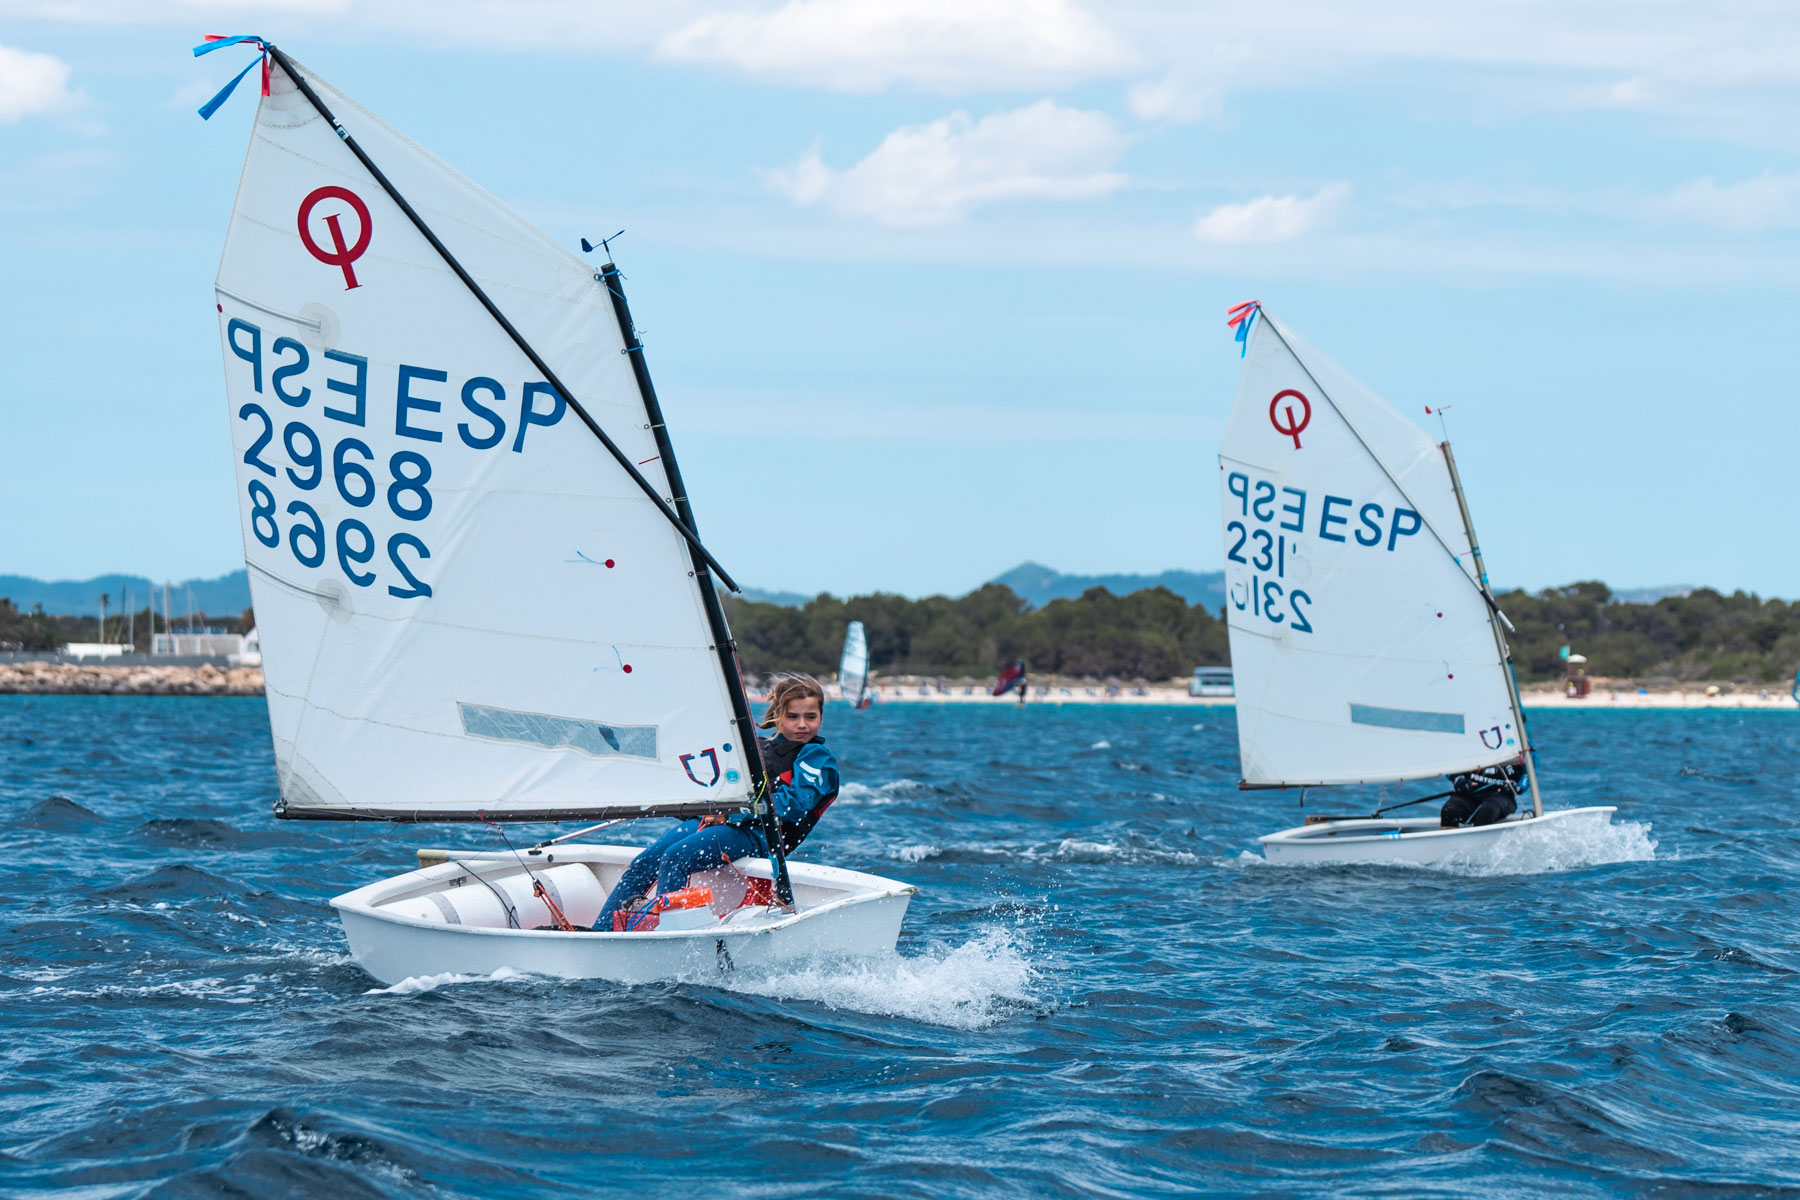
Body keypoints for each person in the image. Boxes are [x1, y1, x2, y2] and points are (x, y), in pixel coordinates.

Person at [594, 674, 841, 930]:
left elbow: (795, 804)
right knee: (644, 863)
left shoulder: (816, 757)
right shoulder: (754, 747)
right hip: (722, 823)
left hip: (760, 834)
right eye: (793, 717)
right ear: (778, 715)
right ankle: (600, 935)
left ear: (820, 718)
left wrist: (734, 813)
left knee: (676, 857)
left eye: (810, 717)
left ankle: (668, 938)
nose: (802, 724)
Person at [1440, 761, 1526, 828]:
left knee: (1488, 810)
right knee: (1450, 810)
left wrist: (1518, 787)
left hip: (1501, 795)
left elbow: (1528, 771)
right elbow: (1449, 763)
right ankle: (1445, 844)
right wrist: (1458, 780)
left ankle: (1477, 844)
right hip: (1469, 793)